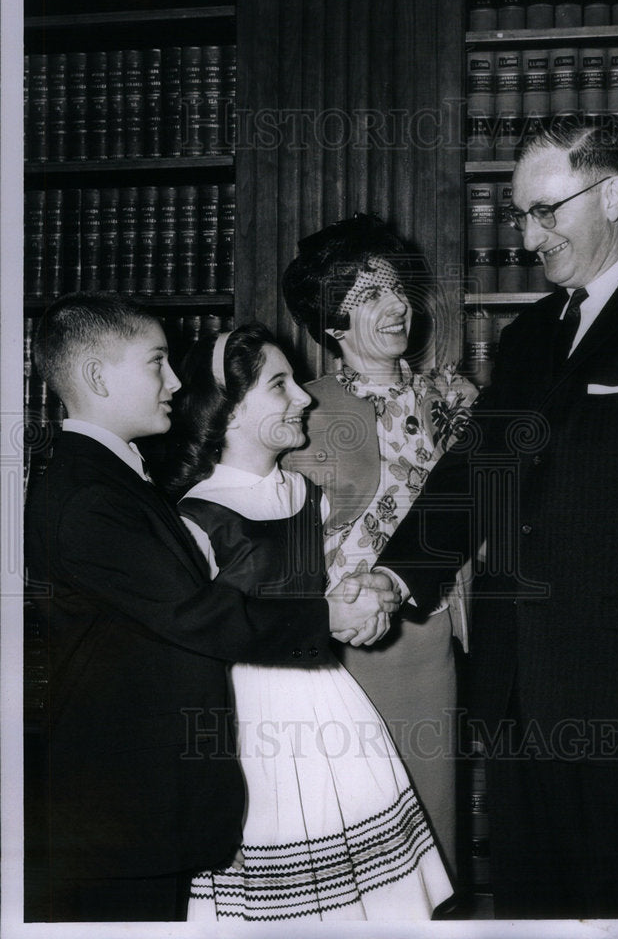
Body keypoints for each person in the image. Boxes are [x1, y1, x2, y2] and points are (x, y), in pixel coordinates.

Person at [374, 119, 618, 918]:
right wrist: (393, 573)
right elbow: (475, 477)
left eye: (547, 210)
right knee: (538, 908)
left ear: (613, 195)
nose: (529, 235)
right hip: (520, 691)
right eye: (521, 215)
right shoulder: (527, 337)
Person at [24, 293, 398, 922]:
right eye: (157, 363)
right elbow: (195, 612)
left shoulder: (105, 477)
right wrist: (327, 618)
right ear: (96, 376)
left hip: (138, 792)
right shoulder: (91, 495)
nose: (176, 381)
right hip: (121, 800)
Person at [163, 322, 453, 921]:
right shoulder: (195, 516)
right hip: (252, 715)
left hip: (329, 696)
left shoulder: (306, 493)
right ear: (230, 410)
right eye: (279, 386)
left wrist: (359, 612)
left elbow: (320, 598)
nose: (304, 397)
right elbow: (205, 628)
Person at [281, 214, 478, 878]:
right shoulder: (299, 414)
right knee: (354, 846)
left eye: (397, 290)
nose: (397, 306)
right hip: (342, 655)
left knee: (431, 834)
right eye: (369, 297)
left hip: (434, 648)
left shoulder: (457, 399)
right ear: (331, 321)